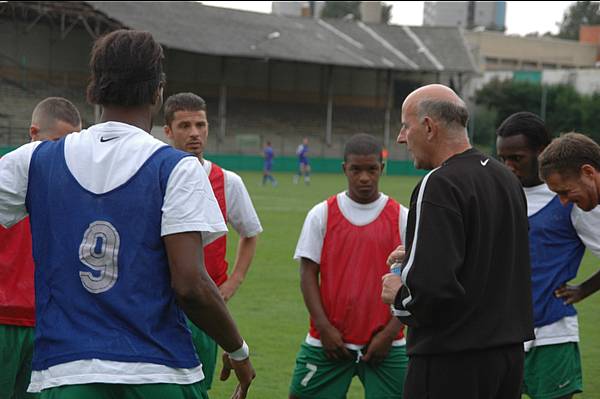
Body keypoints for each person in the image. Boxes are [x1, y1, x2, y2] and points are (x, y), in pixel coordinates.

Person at [0, 30, 254, 398]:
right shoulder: (178, 168)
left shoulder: (35, 159)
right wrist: (237, 349)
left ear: (94, 87)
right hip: (160, 373)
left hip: (67, 372)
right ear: (158, 91)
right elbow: (191, 285)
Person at [381, 84, 534, 399]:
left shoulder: (438, 184)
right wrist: (420, 253)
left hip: (451, 361)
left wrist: (399, 296)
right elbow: (492, 257)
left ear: (428, 127)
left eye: (405, 126)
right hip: (508, 359)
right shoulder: (506, 179)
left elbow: (432, 292)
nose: (400, 137)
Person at [289, 133, 409, 399]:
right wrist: (324, 328)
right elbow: (308, 274)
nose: (364, 177)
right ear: (345, 168)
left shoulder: (402, 217)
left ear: (382, 169)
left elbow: (414, 282)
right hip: (328, 340)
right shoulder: (321, 213)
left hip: (387, 343)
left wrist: (389, 333)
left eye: (372, 169)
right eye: (356, 169)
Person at [163, 92, 262, 392]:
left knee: (196, 389)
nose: (194, 133)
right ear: (167, 131)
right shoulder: (154, 173)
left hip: (203, 309)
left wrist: (234, 281)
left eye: (200, 125)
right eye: (184, 126)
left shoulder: (227, 181)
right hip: (158, 304)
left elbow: (249, 232)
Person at [496, 114, 600, 399]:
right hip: (501, 335)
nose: (509, 166)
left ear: (543, 151)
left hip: (552, 334)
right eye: (503, 158)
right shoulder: (500, 194)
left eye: (516, 157)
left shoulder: (573, 200)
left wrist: (583, 290)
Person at [0, 97, 81, 399]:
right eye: (57, 143)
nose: (64, 155)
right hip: (4, 322)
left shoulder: (75, 192)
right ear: (32, 133)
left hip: (47, 326)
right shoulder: (5, 181)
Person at [539, 132, 600, 305]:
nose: (564, 202)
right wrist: (585, 289)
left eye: (565, 192)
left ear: (588, 172)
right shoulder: (588, 210)